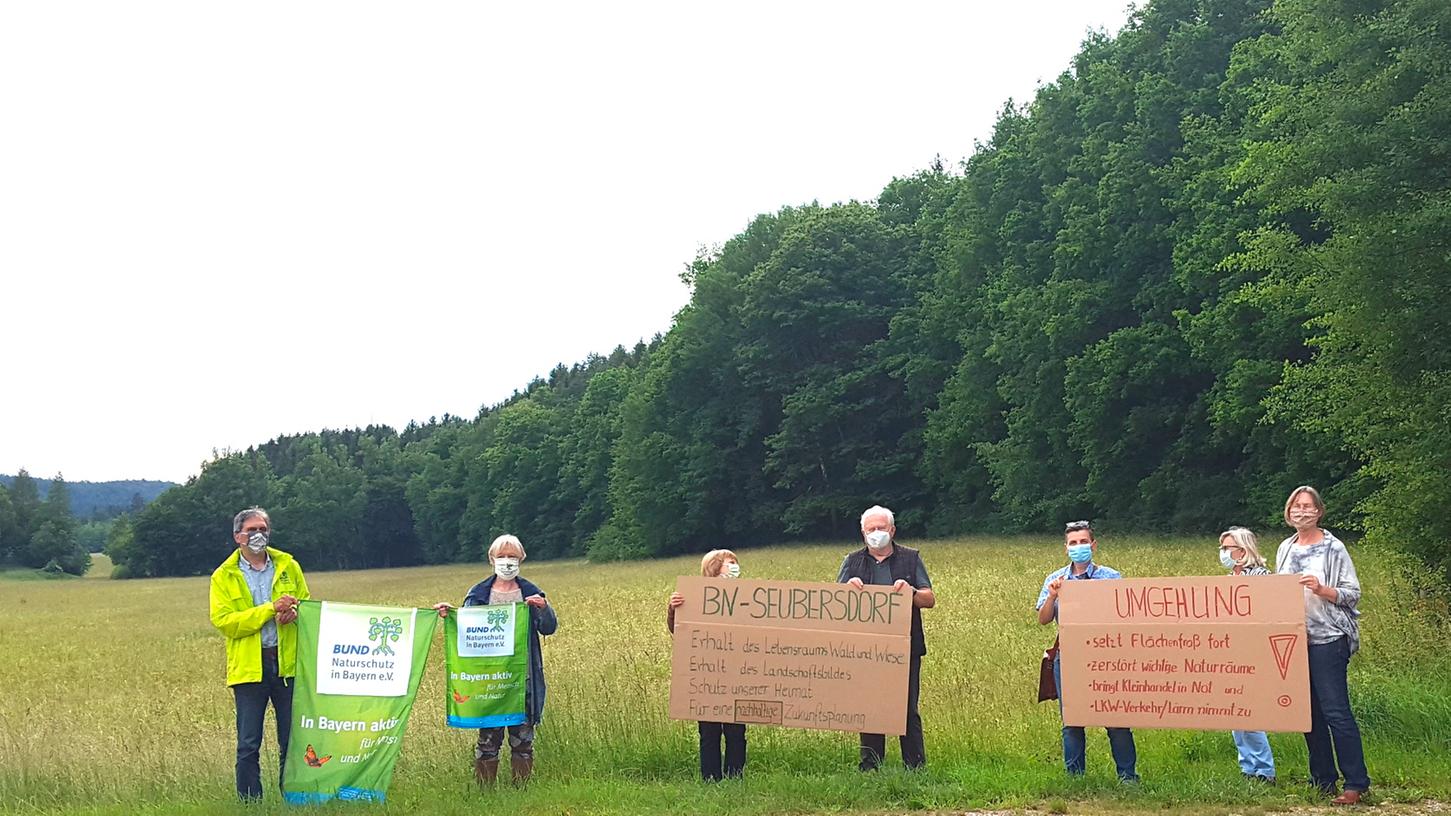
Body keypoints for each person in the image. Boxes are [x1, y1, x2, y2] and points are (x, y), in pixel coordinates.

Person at [435, 534, 557, 787]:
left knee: (523, 740)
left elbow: (548, 628)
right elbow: (465, 631)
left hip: (522, 680)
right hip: (488, 680)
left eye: (512, 556)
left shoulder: (531, 593)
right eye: (502, 556)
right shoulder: (478, 594)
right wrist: (450, 615)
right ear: (492, 560)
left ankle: (522, 788)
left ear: (521, 559)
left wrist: (544, 608)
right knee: (488, 740)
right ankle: (485, 791)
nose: (507, 562)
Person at [1275, 486, 1369, 805]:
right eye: (1296, 506)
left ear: (1318, 511)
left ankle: (1355, 783)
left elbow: (1352, 593)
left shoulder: (1334, 548)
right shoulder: (1285, 548)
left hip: (1329, 638)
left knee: (1336, 712)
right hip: (1294, 641)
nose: (1301, 511)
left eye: (1307, 506)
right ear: (1289, 512)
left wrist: (1321, 589)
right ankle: (1323, 780)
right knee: (1309, 715)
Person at [208, 506, 309, 801]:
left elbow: (306, 604)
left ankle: (293, 797)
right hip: (250, 667)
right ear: (237, 536)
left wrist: (294, 613)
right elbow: (226, 622)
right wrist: (270, 610)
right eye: (251, 530)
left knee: (292, 739)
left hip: (287, 663)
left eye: (262, 529)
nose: (258, 535)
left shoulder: (288, 566)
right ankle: (251, 802)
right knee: (249, 742)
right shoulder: (223, 576)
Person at [1035, 520, 1139, 782]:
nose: (1078, 547)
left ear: (1093, 544)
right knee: (1072, 721)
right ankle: (1075, 780)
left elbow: (1125, 615)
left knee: (1116, 720)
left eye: (1083, 542)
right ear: (1065, 548)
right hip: (1068, 658)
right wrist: (1052, 597)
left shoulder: (1111, 577)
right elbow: (1044, 619)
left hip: (1107, 658)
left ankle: (1127, 777)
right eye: (1073, 543)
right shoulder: (1054, 579)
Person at [837, 505, 935, 771]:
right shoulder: (852, 561)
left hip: (906, 646)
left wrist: (911, 592)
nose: (876, 533)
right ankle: (871, 766)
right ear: (862, 532)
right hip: (865, 648)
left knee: (907, 707)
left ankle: (914, 767)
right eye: (871, 529)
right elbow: (834, 605)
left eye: (881, 528)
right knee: (870, 706)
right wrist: (847, 591)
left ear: (892, 530)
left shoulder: (911, 559)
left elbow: (929, 599)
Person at [668, 549, 747, 780]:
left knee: (736, 732)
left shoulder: (745, 596)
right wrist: (674, 608)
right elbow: (678, 630)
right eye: (729, 563)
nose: (734, 567)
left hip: (738, 674)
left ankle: (735, 777)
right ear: (714, 568)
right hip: (707, 676)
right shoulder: (694, 597)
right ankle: (711, 778)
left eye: (735, 563)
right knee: (709, 731)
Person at [1218, 526, 1276, 783]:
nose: (1224, 552)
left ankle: (1264, 769)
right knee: (1235, 713)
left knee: (1250, 714)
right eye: (1222, 548)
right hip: (1231, 653)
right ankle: (1248, 767)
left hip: (1254, 652)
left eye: (1228, 547)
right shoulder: (1230, 578)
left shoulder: (1262, 577)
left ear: (1243, 549)